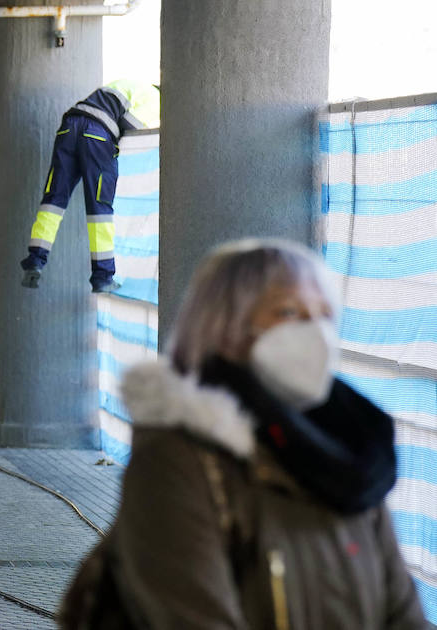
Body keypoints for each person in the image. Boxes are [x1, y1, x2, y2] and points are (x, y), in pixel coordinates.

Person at [60, 239, 428, 629]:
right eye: (289, 311)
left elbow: (404, 613)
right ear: (226, 328)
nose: (316, 332)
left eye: (324, 314)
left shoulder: (352, 454)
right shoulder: (178, 460)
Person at [20, 79, 159, 293]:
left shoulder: (130, 83)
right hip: (96, 135)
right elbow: (132, 127)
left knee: (53, 201)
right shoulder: (154, 98)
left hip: (68, 128)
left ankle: (35, 260)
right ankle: (102, 276)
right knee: (99, 210)